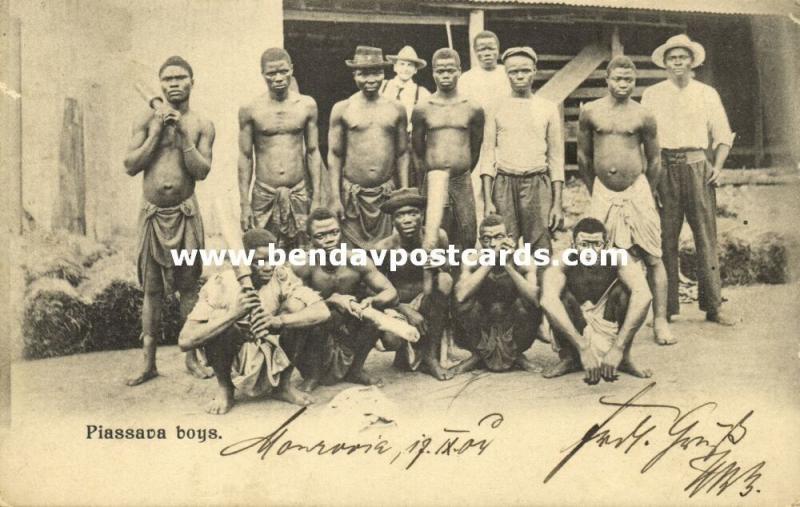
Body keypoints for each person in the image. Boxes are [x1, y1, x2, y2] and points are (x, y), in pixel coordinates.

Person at [123, 56, 216, 385]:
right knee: (152, 290)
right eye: (167, 79)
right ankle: (148, 362)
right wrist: (157, 132)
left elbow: (202, 171)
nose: (174, 83)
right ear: (160, 84)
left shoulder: (203, 123)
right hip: (152, 215)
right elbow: (130, 165)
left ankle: (192, 356)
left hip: (185, 214)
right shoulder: (147, 118)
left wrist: (183, 135)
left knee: (189, 288)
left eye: (180, 78)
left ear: (193, 81)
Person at [578, 56, 675, 346]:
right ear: (607, 79)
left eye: (628, 79)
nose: (623, 84)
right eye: (618, 79)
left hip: (637, 190)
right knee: (603, 257)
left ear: (634, 81)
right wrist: (595, 188)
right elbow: (583, 156)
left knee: (653, 256)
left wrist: (646, 190)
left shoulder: (643, 114)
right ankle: (604, 321)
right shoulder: (590, 112)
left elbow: (655, 158)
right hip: (603, 193)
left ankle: (660, 321)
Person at [178, 229, 330, 414]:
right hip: (234, 350)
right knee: (219, 322)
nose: (268, 267)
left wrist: (278, 321)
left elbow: (322, 311)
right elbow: (185, 341)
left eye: (272, 259)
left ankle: (283, 386)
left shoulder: (281, 276)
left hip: (270, 344)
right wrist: (233, 314)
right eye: (259, 261)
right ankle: (225, 389)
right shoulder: (221, 283)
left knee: (296, 308)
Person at [642, 34, 736, 326]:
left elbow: (722, 135)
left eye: (682, 57)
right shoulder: (653, 94)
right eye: (672, 58)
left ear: (692, 61)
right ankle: (666, 308)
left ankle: (713, 305)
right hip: (664, 167)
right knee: (665, 239)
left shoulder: (707, 93)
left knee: (705, 238)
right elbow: (645, 139)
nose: (678, 63)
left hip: (697, 166)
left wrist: (717, 167)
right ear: (665, 63)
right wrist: (651, 177)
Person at [293, 208, 399, 391]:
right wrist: (329, 302)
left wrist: (373, 302)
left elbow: (390, 291)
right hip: (319, 321)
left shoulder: (357, 260)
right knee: (311, 319)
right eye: (321, 235)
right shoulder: (302, 265)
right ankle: (313, 375)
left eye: (334, 232)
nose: (330, 240)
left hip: (351, 319)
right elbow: (292, 305)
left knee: (374, 316)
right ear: (309, 239)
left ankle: (356, 369)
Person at [540, 218, 653, 384]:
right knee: (559, 297)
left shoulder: (619, 257)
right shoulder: (562, 260)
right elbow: (547, 301)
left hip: (608, 320)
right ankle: (570, 358)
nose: (589, 251)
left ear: (606, 244)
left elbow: (644, 296)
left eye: (596, 244)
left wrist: (618, 348)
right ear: (572, 244)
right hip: (576, 323)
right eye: (584, 244)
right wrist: (583, 348)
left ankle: (624, 358)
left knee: (625, 293)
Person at [238, 48, 323, 249]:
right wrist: (244, 203)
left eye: (283, 71)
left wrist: (317, 197)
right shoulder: (250, 109)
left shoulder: (307, 105)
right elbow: (245, 157)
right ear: (262, 74)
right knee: (262, 254)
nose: (278, 78)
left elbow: (313, 151)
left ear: (291, 69)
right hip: (264, 193)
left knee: (304, 255)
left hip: (299, 191)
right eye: (271, 73)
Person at [481, 46, 564, 253]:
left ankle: (543, 286)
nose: (519, 76)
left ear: (534, 71)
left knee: (541, 247)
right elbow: (488, 153)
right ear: (506, 73)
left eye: (525, 70)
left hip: (537, 182)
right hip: (504, 183)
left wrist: (557, 204)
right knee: (503, 246)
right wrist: (487, 200)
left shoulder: (547, 107)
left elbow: (555, 158)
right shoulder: (495, 106)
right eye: (513, 71)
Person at [329, 46, 410, 249]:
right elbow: (335, 155)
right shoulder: (342, 109)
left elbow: (402, 153)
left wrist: (403, 194)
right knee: (352, 260)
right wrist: (335, 197)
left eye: (376, 72)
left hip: (386, 195)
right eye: (363, 73)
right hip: (352, 198)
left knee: (388, 256)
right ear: (354, 74)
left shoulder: (396, 108)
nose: (370, 79)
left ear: (384, 73)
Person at [373, 188, 454, 380]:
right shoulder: (384, 248)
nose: (408, 219)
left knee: (444, 280)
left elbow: (450, 270)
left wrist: (442, 264)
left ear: (422, 215)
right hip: (397, 304)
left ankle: (431, 357)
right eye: (401, 215)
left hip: (429, 301)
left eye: (413, 213)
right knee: (391, 339)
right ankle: (403, 354)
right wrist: (406, 311)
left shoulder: (438, 237)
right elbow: (375, 289)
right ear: (392, 219)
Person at [412, 48, 484, 254]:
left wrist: (463, 166)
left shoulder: (473, 107)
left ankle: (463, 276)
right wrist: (427, 174)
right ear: (433, 73)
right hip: (433, 177)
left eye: (450, 70)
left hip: (461, 178)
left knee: (468, 232)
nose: (445, 76)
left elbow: (476, 144)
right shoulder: (423, 107)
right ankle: (438, 279)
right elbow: (417, 147)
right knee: (434, 233)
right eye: (440, 71)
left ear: (460, 71)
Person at [450, 214, 543, 374]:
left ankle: (517, 354)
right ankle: (477, 355)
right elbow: (460, 295)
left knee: (526, 305)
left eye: (499, 237)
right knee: (463, 304)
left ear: (509, 237)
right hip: (483, 323)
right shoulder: (473, 258)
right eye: (486, 239)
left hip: (512, 322)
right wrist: (490, 262)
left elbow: (535, 299)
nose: (493, 244)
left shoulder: (522, 258)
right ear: (480, 240)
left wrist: (507, 265)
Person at [460, 30, 512, 221]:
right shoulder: (467, 78)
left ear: (498, 50)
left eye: (491, 48)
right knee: (475, 186)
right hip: (476, 140)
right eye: (482, 49)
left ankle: (502, 232)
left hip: (503, 139)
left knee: (501, 185)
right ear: (475, 52)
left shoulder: (507, 74)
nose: (487, 53)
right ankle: (478, 236)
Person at [383, 45, 432, 187]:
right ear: (394, 67)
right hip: (385, 142)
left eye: (410, 65)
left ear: (415, 70)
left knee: (409, 183)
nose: (405, 68)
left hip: (408, 144)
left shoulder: (422, 93)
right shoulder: (382, 87)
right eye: (402, 64)